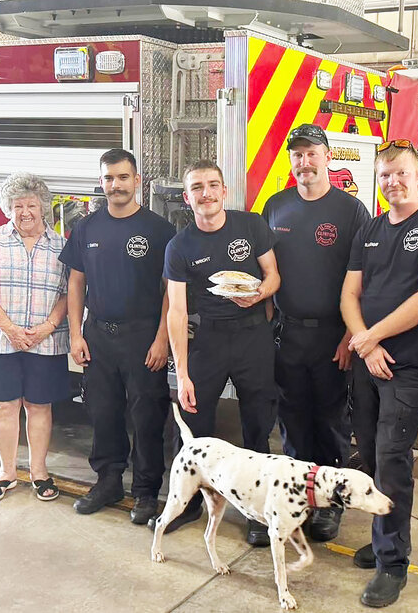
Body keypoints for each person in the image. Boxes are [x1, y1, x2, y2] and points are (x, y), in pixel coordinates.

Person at [341, 140, 418, 607]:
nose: (392, 182)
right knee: (371, 458)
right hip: (367, 362)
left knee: (393, 461)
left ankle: (393, 564)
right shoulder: (370, 228)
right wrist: (363, 342)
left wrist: (371, 339)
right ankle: (380, 538)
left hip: (407, 366)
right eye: (385, 174)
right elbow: (348, 295)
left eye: (400, 173)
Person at [162, 159, 280, 546]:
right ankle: (188, 504)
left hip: (253, 338)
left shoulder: (251, 225)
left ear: (224, 191)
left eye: (213, 185)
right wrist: (182, 374)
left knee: (258, 429)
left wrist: (259, 294)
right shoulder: (179, 246)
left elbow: (273, 276)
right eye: (197, 187)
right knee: (195, 429)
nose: (206, 193)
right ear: (187, 197)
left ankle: (258, 513)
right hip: (209, 340)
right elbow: (177, 311)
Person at [261, 123, 370, 542]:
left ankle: (332, 502)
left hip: (332, 337)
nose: (304, 162)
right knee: (292, 421)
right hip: (287, 334)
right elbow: (265, 270)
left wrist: (349, 335)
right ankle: (300, 497)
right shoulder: (276, 206)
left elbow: (360, 280)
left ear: (328, 157)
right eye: (297, 155)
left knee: (331, 422)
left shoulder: (350, 211)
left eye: (312, 153)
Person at [59, 148, 175, 523]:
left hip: (143, 337)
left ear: (137, 180)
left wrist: (162, 339)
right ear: (101, 182)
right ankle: (108, 482)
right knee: (104, 411)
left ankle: (145, 492)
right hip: (99, 336)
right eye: (109, 178)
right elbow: (75, 283)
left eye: (123, 177)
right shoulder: (87, 228)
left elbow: (171, 290)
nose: (116, 185)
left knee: (146, 416)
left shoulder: (159, 230)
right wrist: (76, 335)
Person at [0, 172, 70, 503]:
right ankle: (6, 473)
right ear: (7, 209)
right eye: (17, 206)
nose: (25, 212)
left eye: (31, 205)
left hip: (46, 340)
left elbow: (70, 294)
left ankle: (39, 473)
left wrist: (48, 326)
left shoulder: (61, 246)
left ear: (44, 208)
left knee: (39, 406)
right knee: (4, 406)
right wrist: (9, 328)